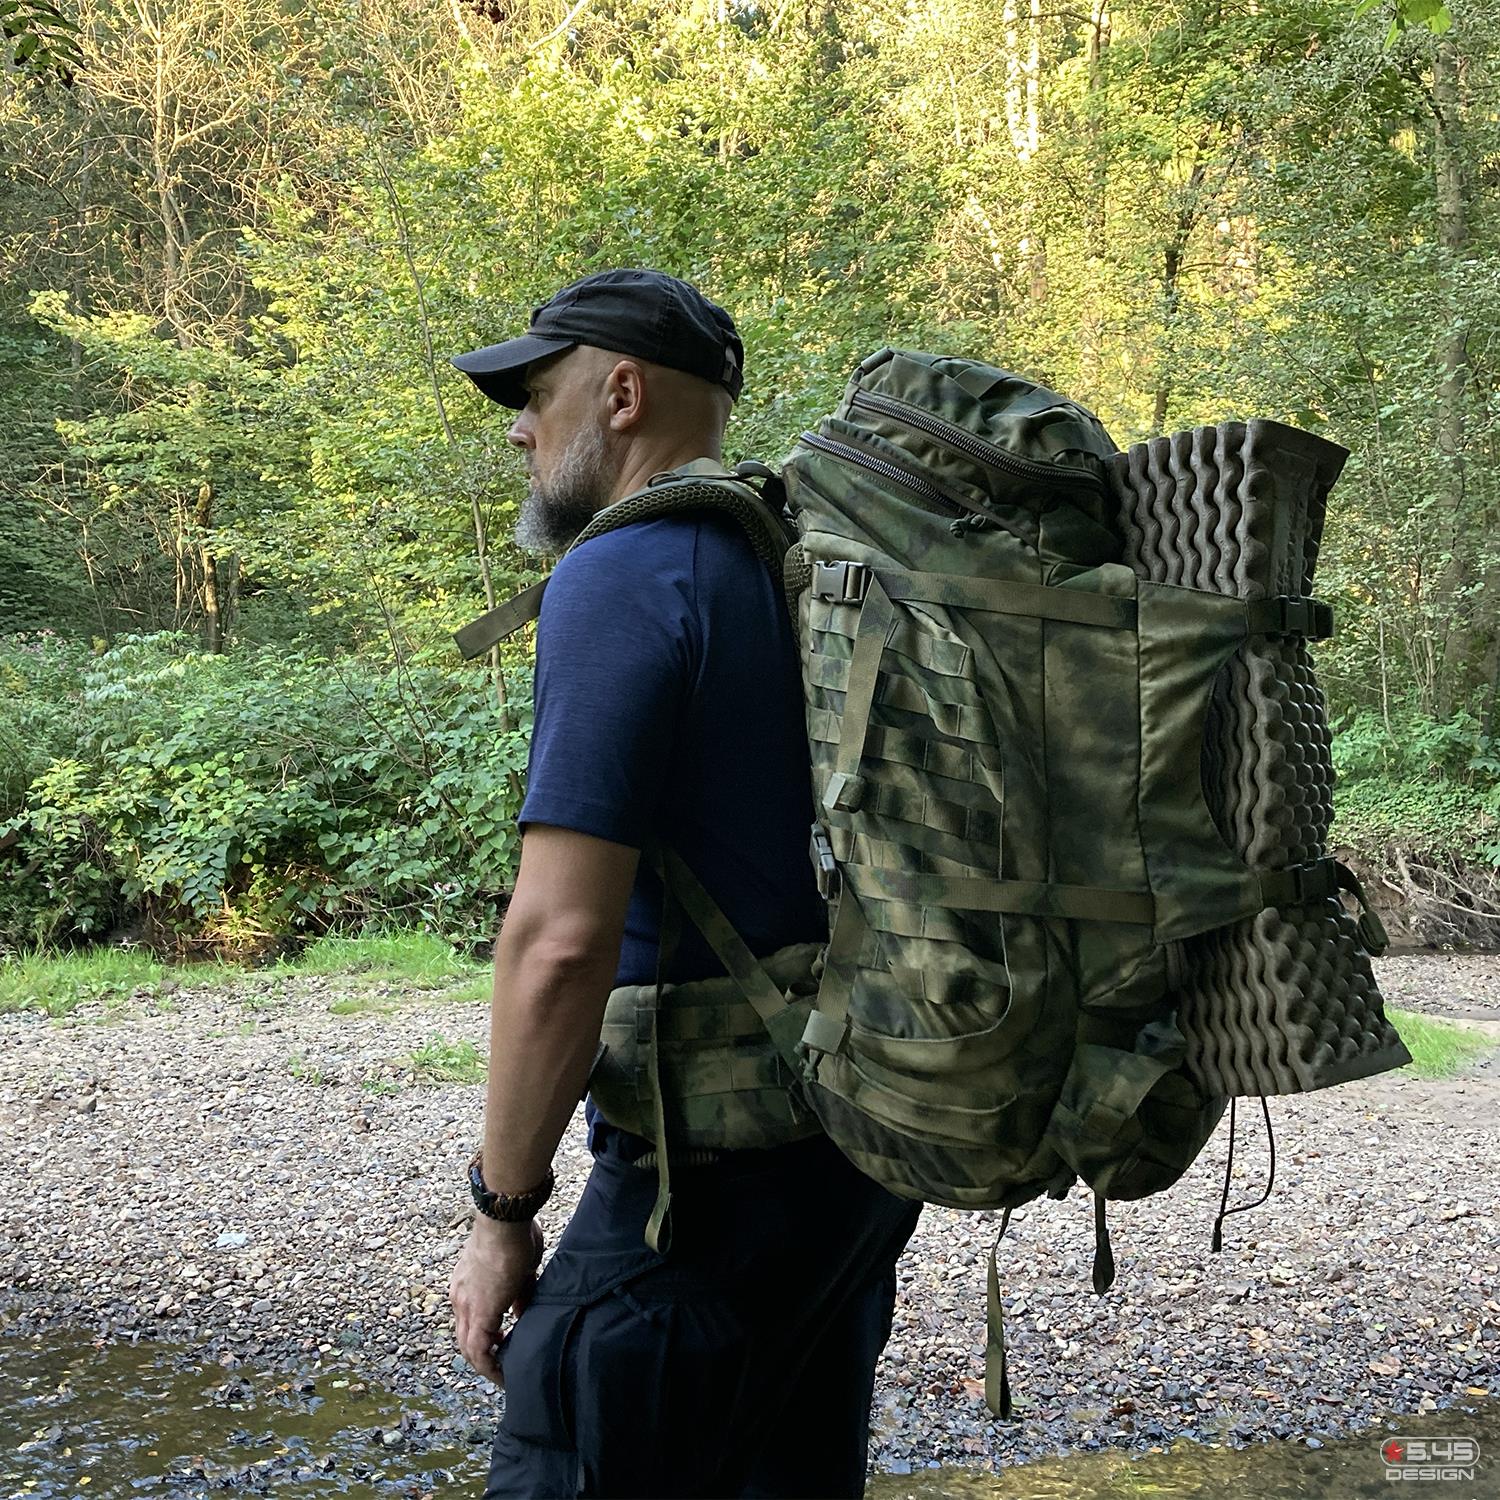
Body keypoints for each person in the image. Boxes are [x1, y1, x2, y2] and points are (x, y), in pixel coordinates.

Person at [446, 268, 922, 1500]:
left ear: (619, 391)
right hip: (847, 1176)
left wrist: (502, 1212)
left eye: (534, 391)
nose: (517, 425)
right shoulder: (798, 571)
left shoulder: (621, 577)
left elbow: (555, 941)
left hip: (690, 1206)